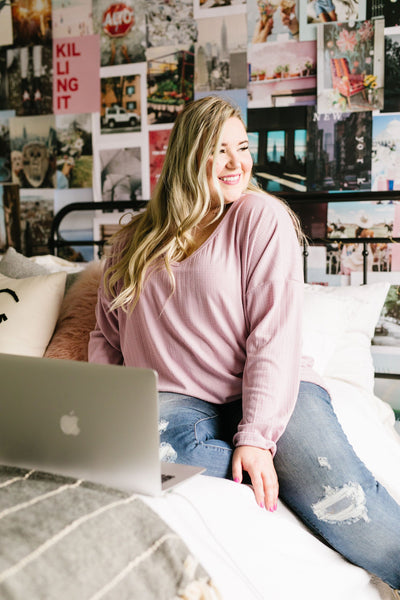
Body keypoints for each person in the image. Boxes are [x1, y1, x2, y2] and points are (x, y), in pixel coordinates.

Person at [88, 95, 400, 592]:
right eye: (220, 150)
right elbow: (106, 335)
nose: (238, 163)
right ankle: (259, 467)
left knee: (345, 501)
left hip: (274, 391)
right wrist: (104, 409)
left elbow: (273, 331)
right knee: (132, 457)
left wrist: (256, 436)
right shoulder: (133, 241)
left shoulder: (259, 216)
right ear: (190, 156)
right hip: (177, 401)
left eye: (243, 148)